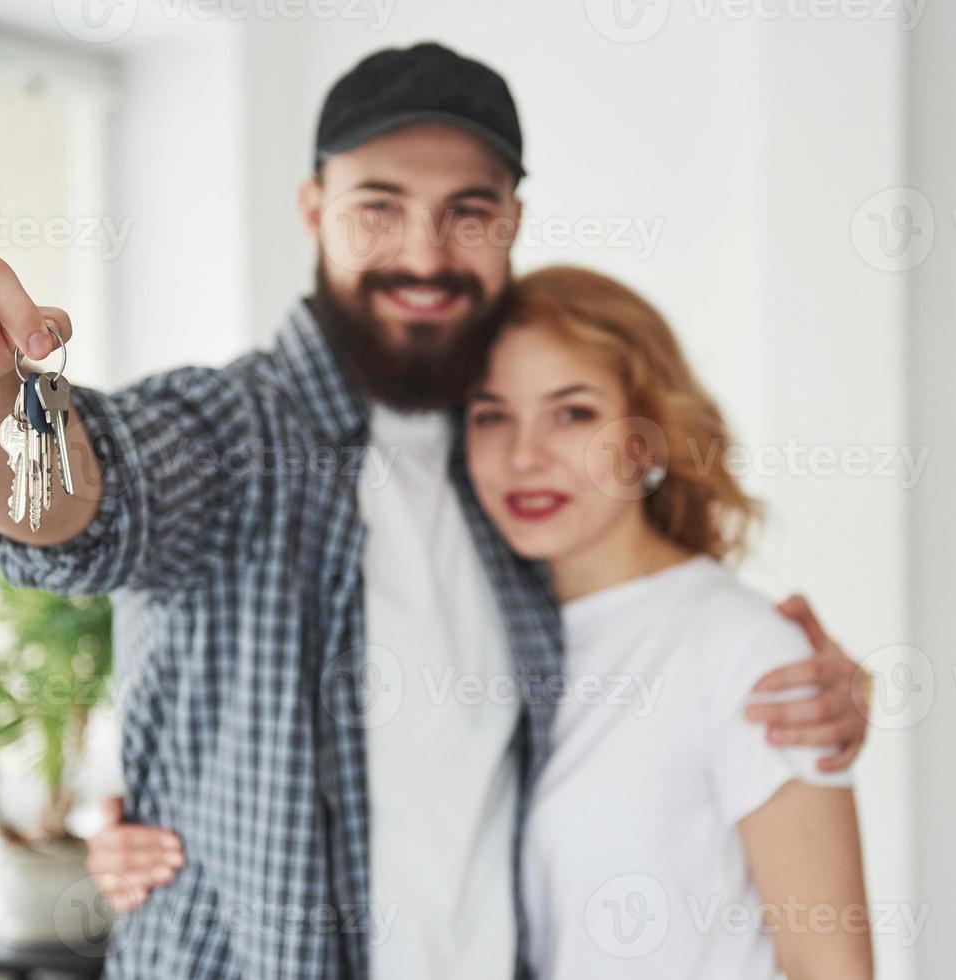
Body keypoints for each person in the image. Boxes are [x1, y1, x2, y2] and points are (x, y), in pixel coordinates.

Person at [0, 42, 871, 980]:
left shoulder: (496, 473)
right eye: (378, 205)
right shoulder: (234, 432)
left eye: (467, 211)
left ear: (509, 223)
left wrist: (785, 698)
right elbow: (86, 504)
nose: (423, 250)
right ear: (313, 208)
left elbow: (643, 684)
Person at [88, 265, 873, 979]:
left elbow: (829, 964)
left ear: (642, 441)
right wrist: (161, 836)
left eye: (571, 413)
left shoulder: (744, 650)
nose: (526, 456)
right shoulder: (491, 630)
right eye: (492, 416)